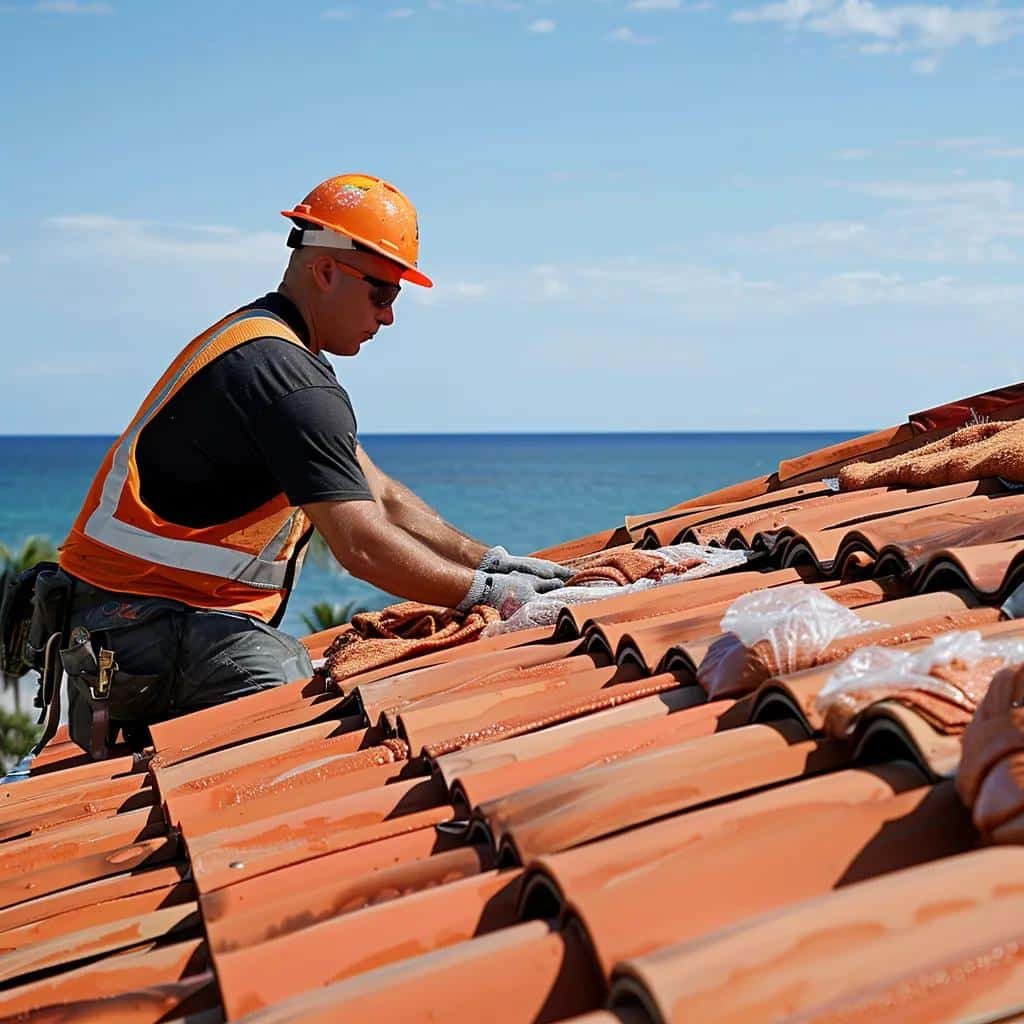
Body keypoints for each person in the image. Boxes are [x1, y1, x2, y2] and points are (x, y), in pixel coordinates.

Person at [51, 173, 571, 756]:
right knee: (296, 714)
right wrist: (491, 597)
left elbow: (382, 496)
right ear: (326, 271)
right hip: (137, 627)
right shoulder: (286, 380)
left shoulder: (269, 349)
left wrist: (494, 564)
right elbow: (363, 546)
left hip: (129, 620)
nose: (390, 317)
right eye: (384, 293)